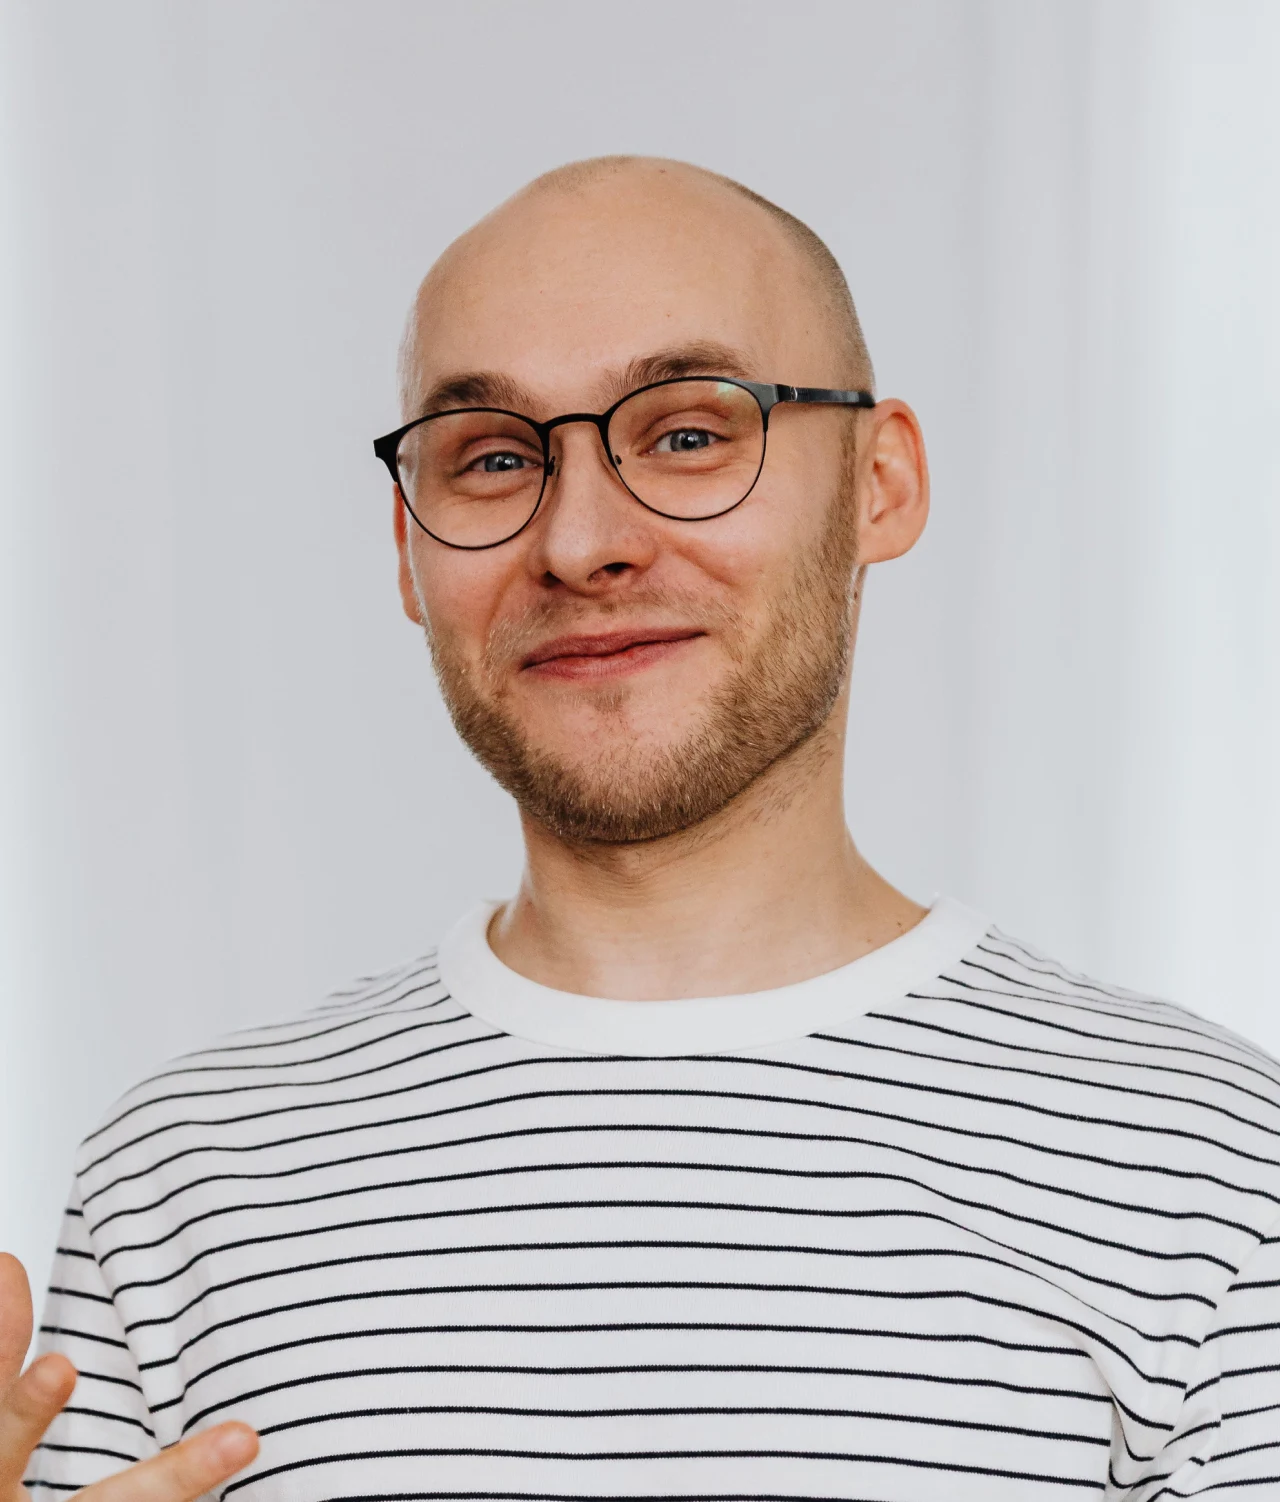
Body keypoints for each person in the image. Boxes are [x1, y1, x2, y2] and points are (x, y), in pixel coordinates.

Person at [6, 156, 1280, 1502]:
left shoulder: (1208, 1173)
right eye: (495, 458)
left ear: (880, 482)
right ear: (406, 547)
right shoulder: (182, 1183)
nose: (580, 542)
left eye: (686, 434)